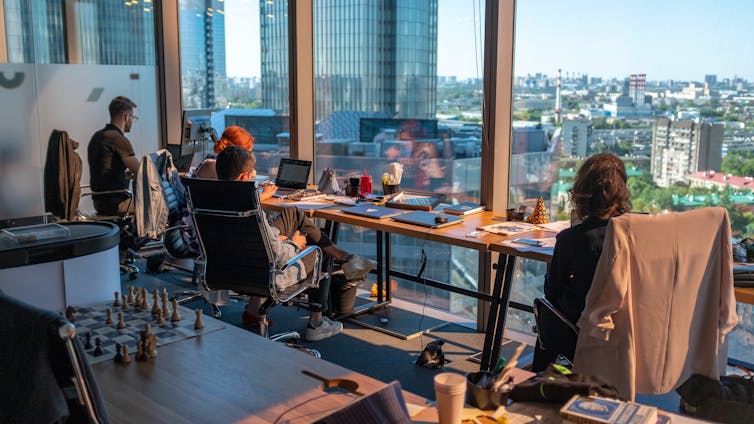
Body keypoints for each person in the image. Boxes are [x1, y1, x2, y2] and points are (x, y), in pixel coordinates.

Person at [215, 145, 376, 341]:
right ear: (242, 177)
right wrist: (294, 243)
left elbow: (251, 238)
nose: (253, 178)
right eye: (251, 175)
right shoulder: (250, 208)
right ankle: (317, 323)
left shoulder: (212, 198)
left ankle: (343, 257)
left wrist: (274, 236)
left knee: (293, 213)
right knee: (318, 251)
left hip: (229, 270)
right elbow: (277, 255)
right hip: (265, 274)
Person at [533, 152, 631, 371]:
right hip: (627, 326)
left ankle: (538, 383)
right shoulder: (635, 233)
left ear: (581, 193)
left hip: (583, 329)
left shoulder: (571, 239)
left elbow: (552, 291)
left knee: (544, 305)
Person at [87, 96, 140, 216]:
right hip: (117, 204)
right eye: (133, 117)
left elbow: (104, 170)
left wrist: (125, 175)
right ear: (126, 116)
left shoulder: (97, 136)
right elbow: (142, 171)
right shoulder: (118, 139)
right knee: (160, 203)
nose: (133, 121)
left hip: (99, 202)